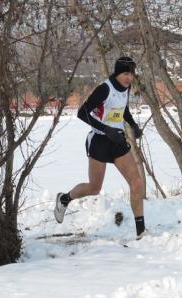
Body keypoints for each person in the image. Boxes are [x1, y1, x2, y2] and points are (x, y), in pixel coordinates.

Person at [54, 56, 146, 239]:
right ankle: (64, 198)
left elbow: (123, 108)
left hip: (117, 141)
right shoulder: (105, 88)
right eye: (126, 73)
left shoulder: (125, 88)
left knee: (136, 183)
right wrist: (105, 129)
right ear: (118, 73)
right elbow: (82, 112)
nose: (129, 78)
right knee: (94, 188)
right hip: (99, 141)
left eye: (132, 74)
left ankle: (141, 232)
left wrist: (133, 124)